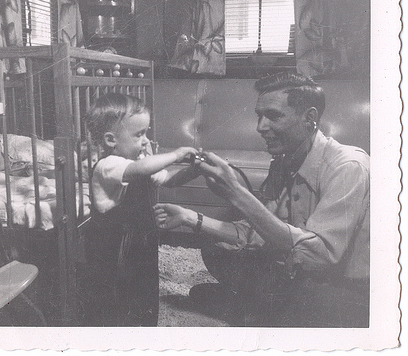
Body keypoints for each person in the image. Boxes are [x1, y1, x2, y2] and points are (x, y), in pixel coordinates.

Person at [154, 72, 370, 327]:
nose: (260, 127)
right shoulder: (283, 160)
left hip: (342, 285)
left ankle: (256, 311)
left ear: (309, 118)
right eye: (259, 115)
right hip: (297, 273)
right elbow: (258, 232)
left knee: (309, 298)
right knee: (215, 248)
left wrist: (237, 192)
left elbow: (319, 259)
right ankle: (260, 308)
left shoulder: (348, 167)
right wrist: (191, 218)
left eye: (274, 116)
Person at [83, 92, 199, 326]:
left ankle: (144, 327)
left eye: (146, 132)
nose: (146, 140)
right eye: (139, 134)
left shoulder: (140, 162)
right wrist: (176, 154)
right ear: (110, 140)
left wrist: (197, 170)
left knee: (145, 284)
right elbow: (139, 170)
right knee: (116, 291)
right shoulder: (108, 165)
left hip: (141, 236)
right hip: (113, 241)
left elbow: (169, 180)